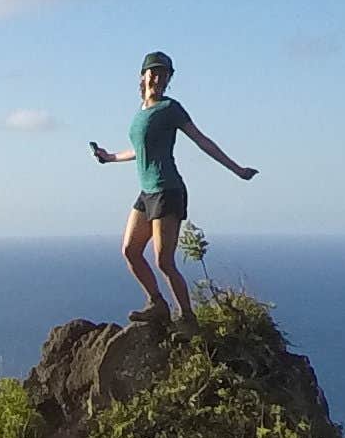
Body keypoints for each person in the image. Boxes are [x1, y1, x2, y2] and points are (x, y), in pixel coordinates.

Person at [89, 51, 253, 323]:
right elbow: (140, 151)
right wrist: (110, 157)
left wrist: (237, 169)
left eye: (163, 74)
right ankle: (157, 304)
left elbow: (201, 140)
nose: (157, 77)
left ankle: (187, 318)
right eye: (153, 72)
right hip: (147, 193)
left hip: (167, 190)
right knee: (130, 251)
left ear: (168, 79)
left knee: (164, 261)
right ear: (142, 76)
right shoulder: (141, 113)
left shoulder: (170, 109)